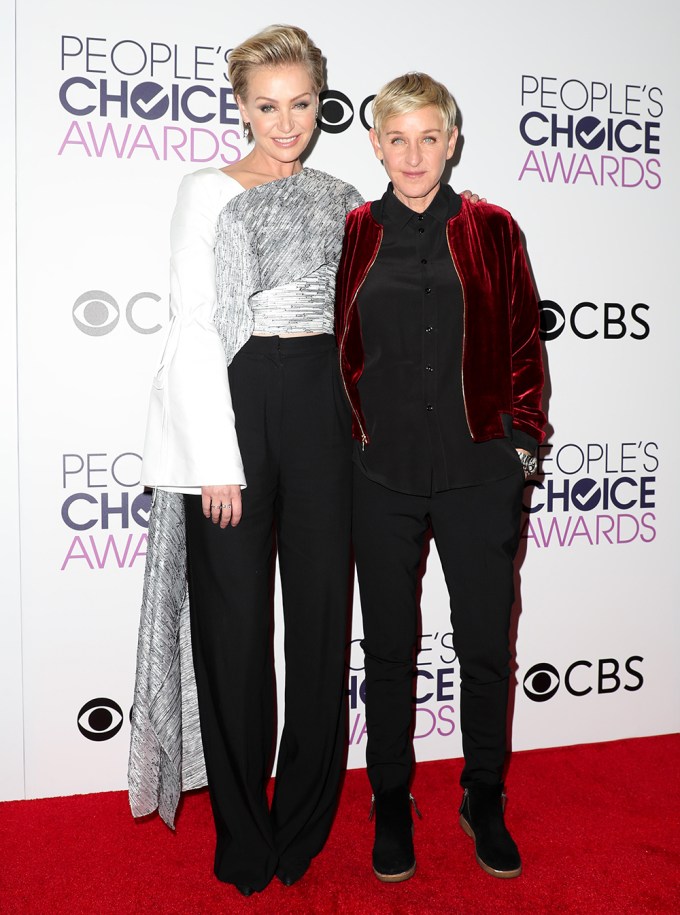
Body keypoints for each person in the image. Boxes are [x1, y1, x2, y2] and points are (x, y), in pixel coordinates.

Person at [128, 25, 364, 897]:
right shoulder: (207, 191)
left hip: (321, 409)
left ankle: (302, 821)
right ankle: (242, 828)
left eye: (301, 103)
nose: (286, 121)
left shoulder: (344, 196)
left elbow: (357, 325)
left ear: (320, 103)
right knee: (230, 632)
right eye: (267, 105)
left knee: (317, 624)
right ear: (241, 106)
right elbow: (192, 325)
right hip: (233, 401)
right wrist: (215, 460)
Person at [336, 72, 546, 883]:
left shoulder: (494, 228)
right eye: (398, 138)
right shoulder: (354, 231)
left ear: (452, 141)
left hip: (478, 476)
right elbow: (335, 347)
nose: (414, 153)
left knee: (485, 647)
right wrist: (345, 444)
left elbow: (527, 340)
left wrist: (520, 444)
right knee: (388, 647)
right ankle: (392, 796)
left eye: (430, 137)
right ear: (377, 144)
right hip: (379, 474)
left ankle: (482, 795)